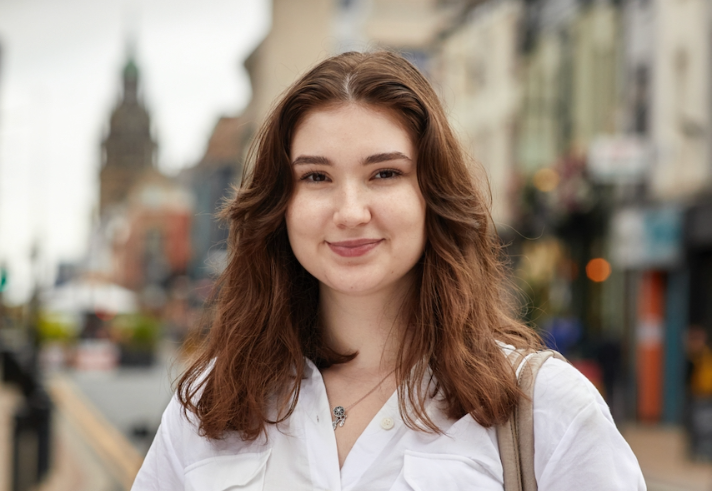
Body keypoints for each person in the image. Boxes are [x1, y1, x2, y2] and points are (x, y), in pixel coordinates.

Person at [131, 51, 644, 490]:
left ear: (432, 195)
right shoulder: (210, 406)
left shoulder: (544, 407)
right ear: (279, 205)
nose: (350, 211)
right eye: (316, 176)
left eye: (385, 173)